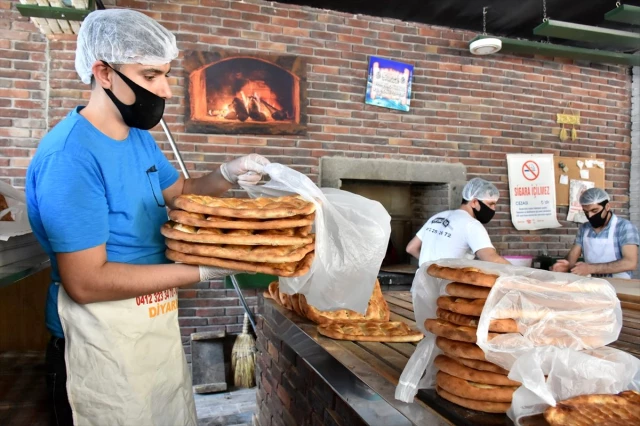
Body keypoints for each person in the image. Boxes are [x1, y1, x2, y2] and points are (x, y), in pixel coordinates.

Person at [25, 9, 269, 426]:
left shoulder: (139, 139)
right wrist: (204, 269)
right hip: (99, 342)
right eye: (151, 75)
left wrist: (229, 172)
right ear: (104, 73)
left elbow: (181, 194)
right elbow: (86, 283)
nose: (167, 90)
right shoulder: (71, 157)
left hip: (150, 328)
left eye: (166, 74)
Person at [406, 178, 510, 266]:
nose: (493, 208)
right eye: (491, 204)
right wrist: (521, 273)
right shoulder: (471, 225)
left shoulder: (437, 217)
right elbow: (491, 259)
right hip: (447, 286)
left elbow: (411, 248)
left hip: (421, 285)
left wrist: (431, 266)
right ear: (474, 202)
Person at [552, 188, 638, 278]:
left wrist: (591, 268)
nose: (590, 216)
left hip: (620, 285)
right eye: (586, 212)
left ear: (607, 206)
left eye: (594, 211)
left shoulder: (624, 227)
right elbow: (572, 257)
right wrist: (566, 266)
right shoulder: (584, 228)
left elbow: (630, 262)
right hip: (592, 284)